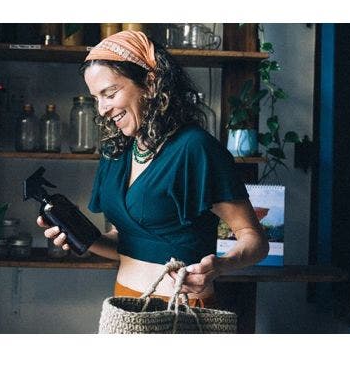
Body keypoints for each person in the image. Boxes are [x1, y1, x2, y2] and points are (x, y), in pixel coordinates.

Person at [37, 30, 269, 307]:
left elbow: (254, 239)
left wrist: (220, 265)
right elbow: (127, 243)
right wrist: (79, 238)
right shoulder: (115, 151)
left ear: (149, 83)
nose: (102, 109)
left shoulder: (195, 148)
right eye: (96, 97)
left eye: (109, 93)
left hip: (181, 307)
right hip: (124, 300)